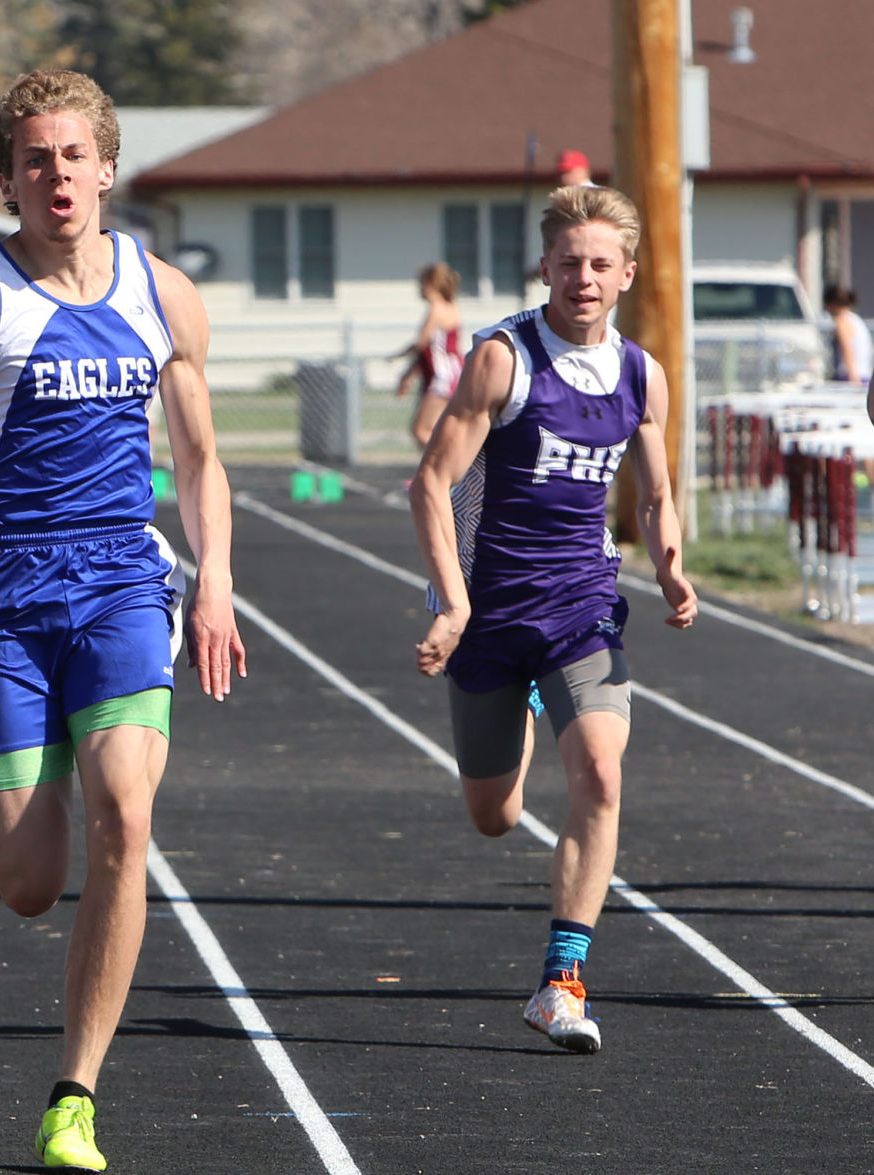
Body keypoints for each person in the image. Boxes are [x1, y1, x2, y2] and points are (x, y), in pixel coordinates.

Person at [0, 69, 245, 1170]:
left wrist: (214, 575)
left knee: (123, 817)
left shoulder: (162, 293)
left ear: (106, 167)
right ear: (5, 182)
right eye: (34, 160)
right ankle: (50, 742)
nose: (57, 175)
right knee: (30, 884)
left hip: (125, 583)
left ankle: (72, 1096)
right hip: (2, 597)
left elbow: (198, 455)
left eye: (73, 155)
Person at [410, 184, 696, 1055]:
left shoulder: (641, 373)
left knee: (601, 776)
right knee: (492, 814)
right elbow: (428, 482)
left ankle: (560, 980)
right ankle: (522, 705)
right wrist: (451, 599)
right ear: (544, 266)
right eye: (567, 261)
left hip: (582, 606)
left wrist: (672, 564)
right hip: (491, 610)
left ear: (626, 276)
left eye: (598, 264)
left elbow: (654, 491)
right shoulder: (504, 359)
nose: (582, 277)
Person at [395, 262, 465, 450]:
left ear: (430, 284)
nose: (419, 288)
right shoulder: (450, 306)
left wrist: (398, 355)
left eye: (421, 283)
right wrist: (409, 374)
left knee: (421, 430)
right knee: (436, 431)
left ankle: (442, 474)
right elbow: (428, 350)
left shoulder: (437, 308)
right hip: (446, 373)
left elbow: (421, 343)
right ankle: (438, 474)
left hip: (443, 375)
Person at [824, 284, 872, 385]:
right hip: (863, 375)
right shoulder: (855, 320)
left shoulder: (842, 322)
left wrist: (854, 380)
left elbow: (848, 351)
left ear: (832, 304)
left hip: (849, 377)